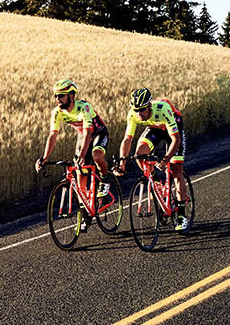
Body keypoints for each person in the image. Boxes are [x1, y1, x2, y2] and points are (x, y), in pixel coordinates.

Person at [115, 86, 190, 230]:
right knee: (140, 155)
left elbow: (176, 139)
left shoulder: (163, 109)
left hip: (172, 128)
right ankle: (157, 184)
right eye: (136, 110)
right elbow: (127, 139)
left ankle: (181, 215)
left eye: (142, 110)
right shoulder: (133, 114)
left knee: (176, 170)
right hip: (155, 128)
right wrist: (122, 162)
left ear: (149, 106)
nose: (139, 114)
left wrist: (166, 160)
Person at [35, 79, 112, 199]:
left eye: (61, 95)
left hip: (98, 133)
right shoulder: (57, 112)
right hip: (83, 135)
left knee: (96, 156)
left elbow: (88, 132)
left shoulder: (84, 107)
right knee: (80, 170)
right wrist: (45, 158)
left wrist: (82, 155)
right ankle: (85, 204)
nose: (57, 99)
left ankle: (104, 180)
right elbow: (53, 135)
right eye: (55, 96)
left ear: (71, 95)